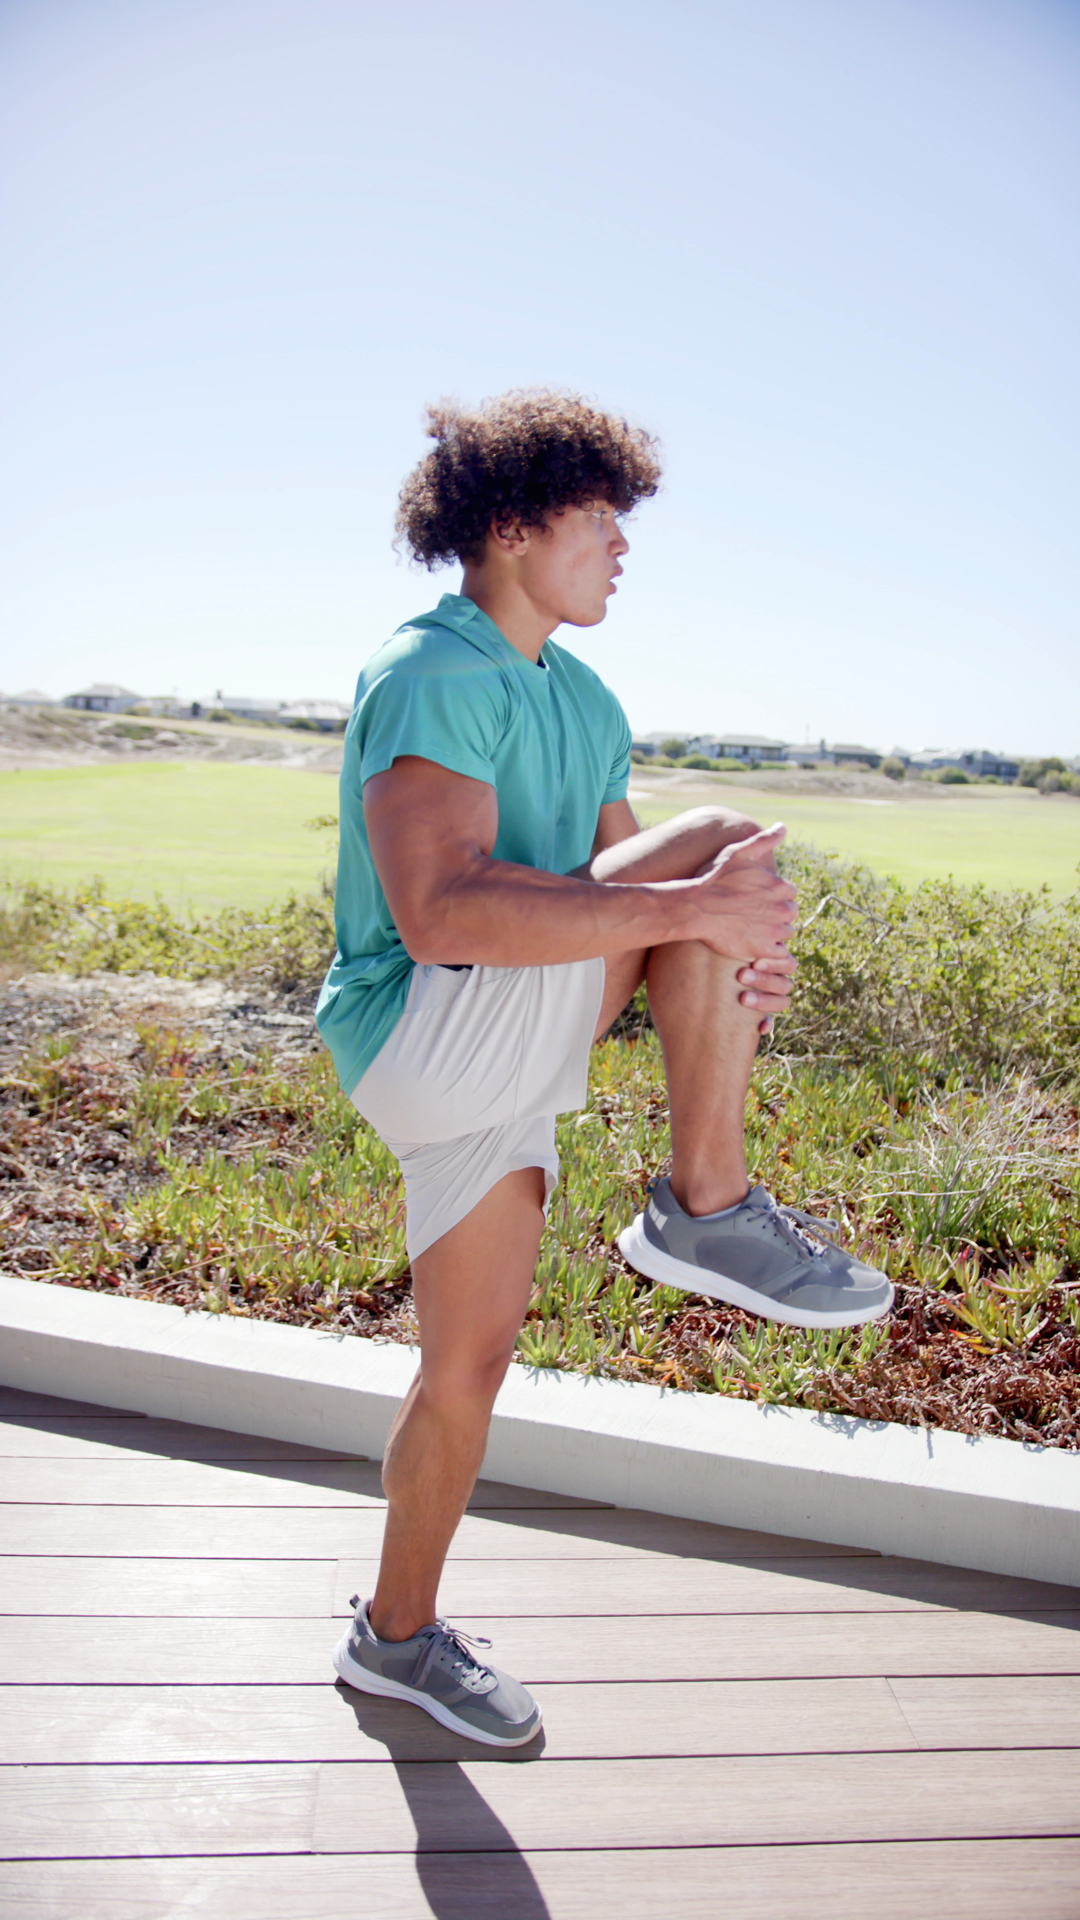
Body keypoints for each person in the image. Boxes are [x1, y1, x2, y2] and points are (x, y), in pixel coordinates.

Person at [318, 390, 892, 1748]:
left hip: (503, 1056)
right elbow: (440, 914)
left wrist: (730, 962)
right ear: (515, 526)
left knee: (464, 1372)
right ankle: (703, 1207)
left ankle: (392, 1639)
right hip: (423, 1024)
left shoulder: (584, 699)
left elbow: (628, 916)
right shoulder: (436, 669)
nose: (623, 547)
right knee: (722, 837)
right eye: (599, 520)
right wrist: (701, 903)